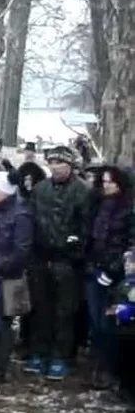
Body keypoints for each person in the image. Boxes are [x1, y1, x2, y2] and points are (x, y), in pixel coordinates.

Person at [25, 148, 90, 381]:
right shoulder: (40, 189)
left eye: (60, 163)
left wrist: (75, 251)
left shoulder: (83, 191)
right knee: (41, 308)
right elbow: (32, 221)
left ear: (70, 166)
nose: (55, 167)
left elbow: (87, 226)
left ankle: (62, 357)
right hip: (41, 258)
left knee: (65, 311)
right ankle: (40, 352)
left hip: (68, 260)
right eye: (52, 163)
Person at [82, 166, 133, 390]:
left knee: (110, 322)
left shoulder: (129, 209)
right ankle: (98, 366)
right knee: (96, 321)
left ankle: (110, 370)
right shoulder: (97, 205)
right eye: (104, 181)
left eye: (111, 181)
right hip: (94, 269)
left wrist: (114, 269)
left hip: (117, 275)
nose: (107, 185)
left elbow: (129, 243)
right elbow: (90, 238)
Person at [0, 171, 33, 385]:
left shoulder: (20, 215)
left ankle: (0, 368)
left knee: (2, 323)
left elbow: (22, 251)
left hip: (8, 276)